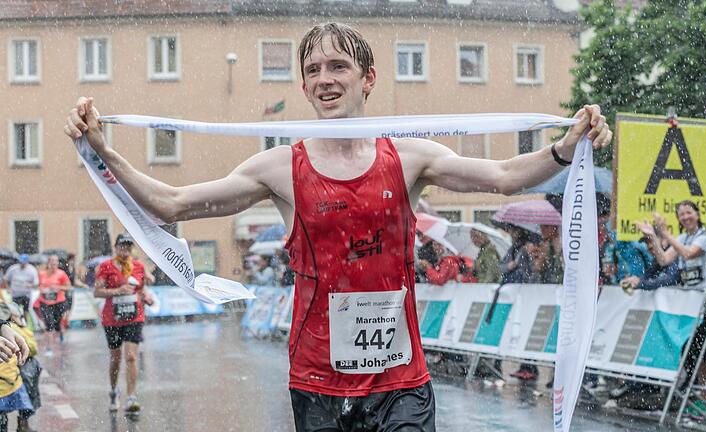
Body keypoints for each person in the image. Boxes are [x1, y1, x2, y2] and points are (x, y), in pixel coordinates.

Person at [64, 22, 611, 430]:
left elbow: (507, 176)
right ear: (304, 87)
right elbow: (172, 202)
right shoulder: (280, 166)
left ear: (367, 78)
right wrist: (102, 150)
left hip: (402, 384)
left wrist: (567, 147)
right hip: (317, 382)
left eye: (338, 67)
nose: (324, 80)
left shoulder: (410, 156)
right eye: (313, 71)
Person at [637, 201, 706, 422]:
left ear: (697, 214)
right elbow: (663, 259)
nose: (685, 217)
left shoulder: (705, 235)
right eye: (681, 214)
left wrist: (666, 235)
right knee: (695, 351)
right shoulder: (682, 238)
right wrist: (653, 237)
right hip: (691, 303)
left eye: (689, 212)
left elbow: (688, 254)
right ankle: (700, 398)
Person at [94, 233, 153, 414]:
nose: (125, 249)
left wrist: (146, 295)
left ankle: (131, 397)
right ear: (116, 247)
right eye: (122, 246)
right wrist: (118, 290)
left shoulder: (138, 266)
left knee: (131, 357)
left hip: (134, 317)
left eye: (128, 246)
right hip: (112, 318)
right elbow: (97, 292)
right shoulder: (106, 266)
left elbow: (141, 288)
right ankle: (113, 391)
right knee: (116, 358)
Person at [7, 302, 40, 432]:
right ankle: (22, 424)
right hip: (18, 367)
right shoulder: (10, 327)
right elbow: (31, 347)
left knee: (29, 394)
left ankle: (23, 423)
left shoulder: (19, 327)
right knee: (26, 393)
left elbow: (32, 346)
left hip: (25, 364)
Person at [35, 256, 71, 355]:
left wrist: (58, 287)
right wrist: (42, 289)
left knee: (57, 323)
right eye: (52, 263)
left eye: (56, 263)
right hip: (45, 302)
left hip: (58, 302)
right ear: (48, 263)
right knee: (49, 325)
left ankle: (60, 332)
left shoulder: (61, 274)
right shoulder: (41, 274)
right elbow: (38, 285)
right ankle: (49, 348)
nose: (54, 265)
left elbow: (69, 287)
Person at [2, 256, 38, 321]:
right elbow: (6, 279)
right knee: (15, 310)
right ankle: (17, 324)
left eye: (23, 263)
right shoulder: (13, 268)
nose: (22, 264)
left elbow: (36, 283)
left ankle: (25, 324)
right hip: (15, 294)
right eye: (21, 262)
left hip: (26, 294)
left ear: (27, 262)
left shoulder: (32, 270)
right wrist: (8, 288)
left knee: (26, 310)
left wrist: (31, 285)